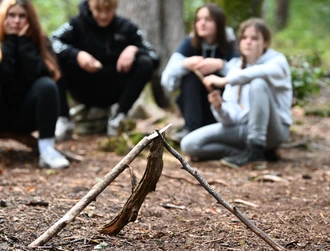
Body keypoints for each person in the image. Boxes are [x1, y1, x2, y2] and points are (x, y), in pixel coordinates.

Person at [180, 18, 292, 168]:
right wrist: (219, 107)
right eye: (244, 38)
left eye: (254, 38)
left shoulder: (277, 61)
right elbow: (229, 119)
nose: (248, 42)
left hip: (272, 131)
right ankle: (241, 153)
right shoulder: (236, 68)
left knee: (258, 83)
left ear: (265, 42)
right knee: (189, 144)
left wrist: (225, 80)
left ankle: (256, 150)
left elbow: (257, 72)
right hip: (241, 129)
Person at [51, 0, 160, 139]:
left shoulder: (126, 27)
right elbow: (51, 41)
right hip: (82, 87)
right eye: (98, 10)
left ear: (114, 8)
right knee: (53, 59)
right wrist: (77, 54)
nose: (103, 16)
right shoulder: (76, 24)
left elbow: (154, 55)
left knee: (145, 63)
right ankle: (64, 120)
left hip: (114, 90)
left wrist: (134, 49)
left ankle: (118, 118)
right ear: (90, 7)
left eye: (108, 11)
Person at [0, 0, 70, 169]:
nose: (17, 21)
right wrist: (9, 41)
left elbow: (45, 76)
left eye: (22, 16)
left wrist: (23, 44)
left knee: (46, 85)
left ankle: (47, 150)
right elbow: (4, 78)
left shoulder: (40, 42)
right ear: (3, 16)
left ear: (29, 19)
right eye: (12, 15)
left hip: (27, 116)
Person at [161, 3, 238, 143]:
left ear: (219, 23)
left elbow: (243, 76)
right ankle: (190, 130)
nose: (201, 24)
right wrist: (185, 65)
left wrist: (220, 65)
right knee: (190, 76)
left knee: (220, 77)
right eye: (198, 19)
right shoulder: (189, 43)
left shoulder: (231, 44)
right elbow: (166, 80)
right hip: (194, 109)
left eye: (208, 19)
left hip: (222, 111)